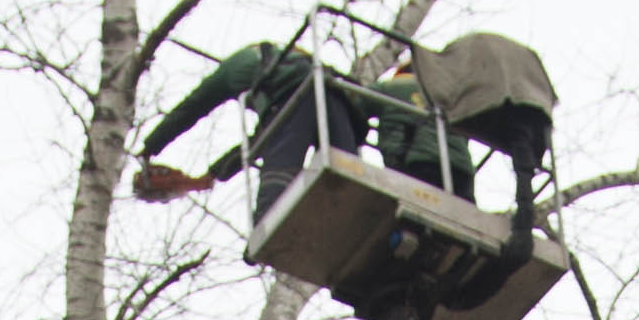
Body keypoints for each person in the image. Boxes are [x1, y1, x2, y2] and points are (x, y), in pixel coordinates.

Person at [131, 36, 451, 215]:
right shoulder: (299, 78)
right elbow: (255, 144)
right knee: (348, 172)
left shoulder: (240, 68)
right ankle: (357, 215)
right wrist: (209, 177)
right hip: (339, 102)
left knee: (281, 161)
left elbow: (193, 107)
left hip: (302, 100)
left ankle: (270, 211)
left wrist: (151, 146)